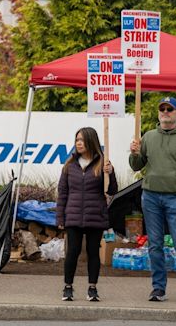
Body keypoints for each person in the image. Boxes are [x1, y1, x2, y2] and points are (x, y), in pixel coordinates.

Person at [129, 97, 176, 303]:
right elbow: (136, 165)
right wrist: (134, 153)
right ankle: (158, 288)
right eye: (162, 109)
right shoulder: (149, 137)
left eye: (170, 109)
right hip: (150, 197)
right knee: (155, 245)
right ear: (159, 113)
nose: (166, 112)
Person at [57, 127, 117, 302]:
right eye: (77, 140)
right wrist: (60, 217)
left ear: (91, 141)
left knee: (93, 252)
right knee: (72, 252)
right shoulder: (69, 164)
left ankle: (92, 288)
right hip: (73, 215)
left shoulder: (103, 163)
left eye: (82, 140)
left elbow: (112, 190)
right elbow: (62, 192)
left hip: (95, 215)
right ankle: (68, 287)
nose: (78, 143)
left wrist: (110, 173)